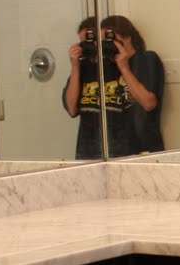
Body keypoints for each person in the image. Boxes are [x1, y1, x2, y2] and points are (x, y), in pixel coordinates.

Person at [63, 15, 165, 159]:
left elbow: (148, 103)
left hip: (136, 153)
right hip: (90, 153)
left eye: (109, 39)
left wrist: (123, 66)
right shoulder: (93, 67)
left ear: (127, 37)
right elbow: (72, 109)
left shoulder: (145, 60)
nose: (105, 45)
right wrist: (75, 66)